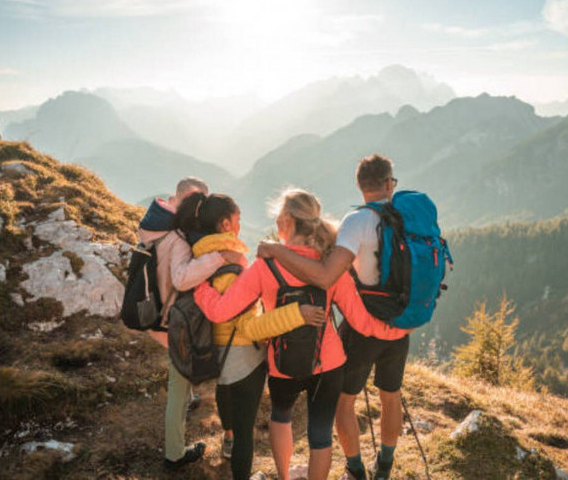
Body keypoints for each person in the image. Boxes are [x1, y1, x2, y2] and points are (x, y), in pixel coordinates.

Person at [194, 189, 400, 480]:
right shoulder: (331, 265)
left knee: (281, 417)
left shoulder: (264, 266)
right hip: (328, 362)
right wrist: (395, 329)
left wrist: (200, 287)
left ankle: (284, 476)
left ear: (287, 221)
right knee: (320, 434)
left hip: (282, 363)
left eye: (278, 217)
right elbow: (360, 321)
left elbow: (219, 312)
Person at [257, 155, 411, 479]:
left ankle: (355, 468)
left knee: (344, 401)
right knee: (391, 395)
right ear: (388, 183)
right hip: (400, 324)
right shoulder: (408, 218)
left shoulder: (356, 222)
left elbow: (327, 275)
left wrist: (276, 250)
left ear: (359, 184)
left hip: (363, 326)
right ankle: (385, 465)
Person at [174, 192, 326, 480]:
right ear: (225, 224)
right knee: (247, 433)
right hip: (243, 354)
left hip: (213, 348)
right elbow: (249, 328)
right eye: (238, 219)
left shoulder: (200, 259)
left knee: (226, 394)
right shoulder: (232, 268)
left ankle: (228, 437)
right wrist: (298, 313)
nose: (240, 225)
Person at [137, 177, 227, 470]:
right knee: (177, 382)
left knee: (179, 375)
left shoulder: (155, 224)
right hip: (172, 319)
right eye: (198, 201)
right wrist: (217, 258)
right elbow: (181, 278)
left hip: (154, 310)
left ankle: (189, 399)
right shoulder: (177, 237)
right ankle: (174, 454)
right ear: (186, 199)